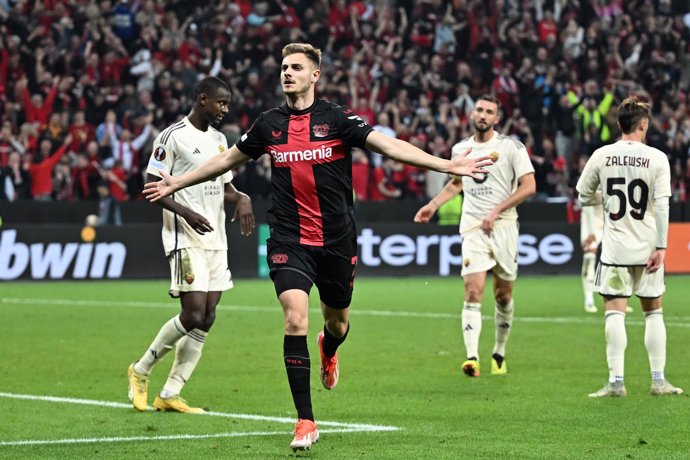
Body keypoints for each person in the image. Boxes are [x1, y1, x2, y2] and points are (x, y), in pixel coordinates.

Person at [143, 43, 491, 451]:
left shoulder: (336, 118)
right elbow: (226, 162)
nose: (287, 73)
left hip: (336, 241)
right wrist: (176, 182)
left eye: (296, 67)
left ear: (315, 75)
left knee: (337, 324)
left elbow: (389, 145)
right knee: (295, 320)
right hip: (290, 241)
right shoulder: (268, 124)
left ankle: (330, 348)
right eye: (283, 67)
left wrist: (446, 164)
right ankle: (305, 420)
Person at [127, 76, 255, 414]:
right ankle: (140, 371)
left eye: (227, 103)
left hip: (216, 239)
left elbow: (225, 186)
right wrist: (186, 213)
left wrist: (241, 197)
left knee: (208, 316)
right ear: (202, 99)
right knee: (193, 312)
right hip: (185, 236)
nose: (225, 110)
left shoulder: (219, 140)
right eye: (221, 103)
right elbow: (151, 187)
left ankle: (170, 393)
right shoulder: (172, 137)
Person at [414, 94, 536, 378]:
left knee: (503, 295)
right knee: (472, 291)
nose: (482, 114)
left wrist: (496, 211)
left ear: (497, 118)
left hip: (504, 227)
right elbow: (456, 184)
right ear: (472, 114)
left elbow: (529, 186)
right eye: (479, 109)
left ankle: (499, 352)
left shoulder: (511, 147)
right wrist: (432, 205)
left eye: (488, 111)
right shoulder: (461, 149)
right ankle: (471, 357)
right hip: (473, 229)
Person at [576, 97, 682, 398]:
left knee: (614, 313)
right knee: (653, 313)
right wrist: (662, 246)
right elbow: (662, 206)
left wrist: (606, 201)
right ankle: (658, 380)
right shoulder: (658, 158)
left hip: (615, 249)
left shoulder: (602, 155)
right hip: (649, 245)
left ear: (619, 123)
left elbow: (583, 195)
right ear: (644, 125)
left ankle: (616, 382)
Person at [580, 201, 603, 313]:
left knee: (618, 259)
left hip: (609, 219)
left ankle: (620, 295)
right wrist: (590, 231)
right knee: (589, 257)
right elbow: (587, 202)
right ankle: (589, 300)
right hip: (591, 221)